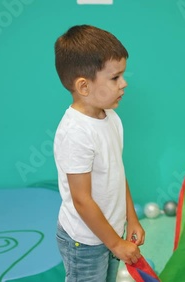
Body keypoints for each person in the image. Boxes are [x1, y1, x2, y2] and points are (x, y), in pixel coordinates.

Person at [53, 24, 145, 282]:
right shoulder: (76, 133)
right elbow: (82, 200)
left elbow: (117, 172)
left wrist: (131, 218)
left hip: (110, 232)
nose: (124, 83)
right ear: (84, 86)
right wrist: (115, 244)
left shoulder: (112, 119)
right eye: (115, 78)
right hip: (85, 241)